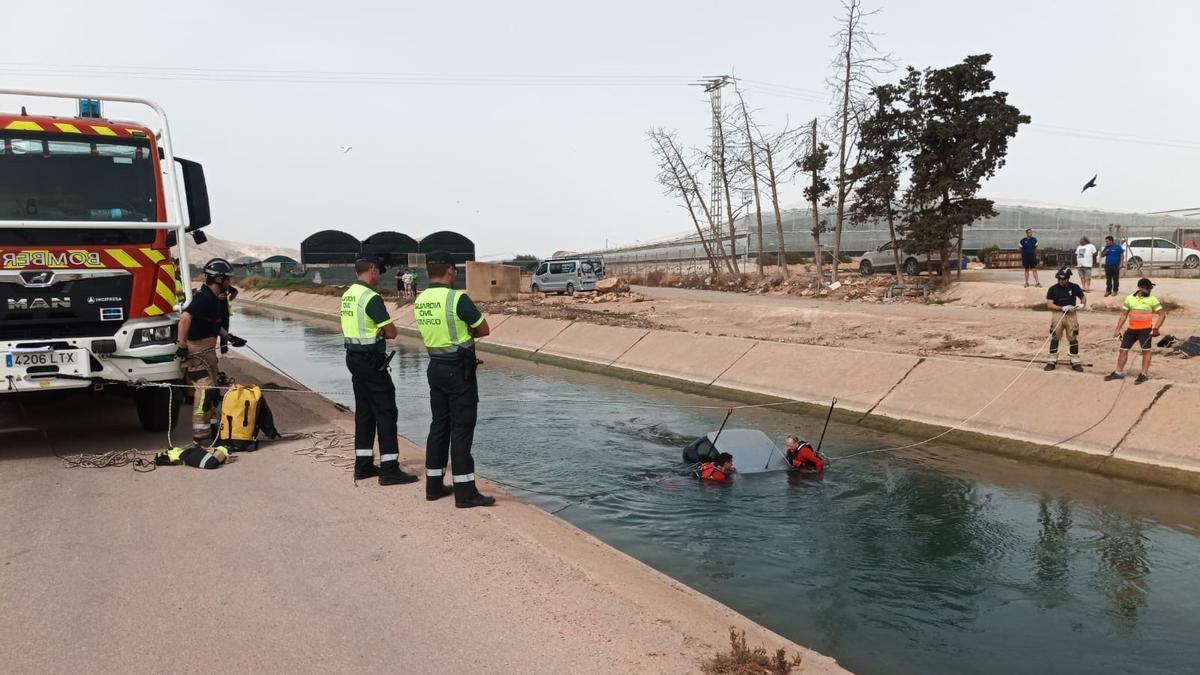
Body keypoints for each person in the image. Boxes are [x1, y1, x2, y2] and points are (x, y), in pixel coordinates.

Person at [413, 251, 494, 507]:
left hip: (434, 368)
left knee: (439, 426)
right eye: (455, 270)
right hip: (458, 372)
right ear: (450, 270)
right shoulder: (457, 298)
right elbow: (483, 329)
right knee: (461, 430)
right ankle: (465, 492)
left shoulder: (420, 299)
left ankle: (433, 486)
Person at [341, 256, 418, 485]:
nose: (380, 276)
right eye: (379, 271)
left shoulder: (349, 294)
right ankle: (389, 469)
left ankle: (363, 466)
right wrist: (381, 332)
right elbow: (392, 332)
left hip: (353, 358)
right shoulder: (370, 297)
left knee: (364, 413)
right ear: (372, 269)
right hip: (371, 361)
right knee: (386, 413)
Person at [177, 258, 246, 443]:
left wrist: (229, 337)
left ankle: (215, 430)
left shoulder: (215, 299)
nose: (229, 283)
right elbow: (184, 318)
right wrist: (182, 346)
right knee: (205, 391)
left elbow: (214, 325)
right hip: (196, 352)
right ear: (218, 279)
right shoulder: (204, 298)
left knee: (214, 391)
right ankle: (200, 436)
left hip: (208, 351)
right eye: (227, 279)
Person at [1105, 278, 1167, 385]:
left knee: (1146, 351)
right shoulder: (1130, 298)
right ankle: (1118, 372)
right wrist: (1117, 329)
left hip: (1146, 330)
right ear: (1140, 288)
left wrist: (1156, 328)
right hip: (1131, 330)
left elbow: (1162, 314)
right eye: (1148, 289)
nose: (1150, 290)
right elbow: (1124, 314)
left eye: (1150, 289)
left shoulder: (1152, 299)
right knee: (1123, 349)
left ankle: (1144, 374)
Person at [1044, 266, 1087, 372]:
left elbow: (1083, 297)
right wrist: (1062, 308)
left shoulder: (1074, 287)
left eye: (1063, 279)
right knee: (1055, 336)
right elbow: (1049, 305)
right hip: (1058, 314)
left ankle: (1075, 361)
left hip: (1072, 314)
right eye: (1059, 279)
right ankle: (1052, 360)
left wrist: (1082, 304)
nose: (1061, 281)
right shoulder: (1053, 289)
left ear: (1068, 278)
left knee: (1073, 337)